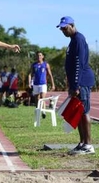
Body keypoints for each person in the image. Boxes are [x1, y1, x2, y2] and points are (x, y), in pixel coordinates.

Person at [57, 16, 95, 155]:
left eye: (65, 28)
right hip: (77, 82)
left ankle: (88, 145)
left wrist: (77, 85)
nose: (63, 31)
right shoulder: (73, 40)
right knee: (78, 112)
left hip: (83, 81)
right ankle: (82, 143)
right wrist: (71, 84)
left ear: (72, 25)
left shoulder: (78, 39)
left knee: (84, 111)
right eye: (61, 28)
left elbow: (78, 64)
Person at [29, 51, 55, 118]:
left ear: (43, 56)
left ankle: (43, 111)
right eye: (37, 55)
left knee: (42, 97)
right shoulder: (34, 65)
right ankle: (38, 111)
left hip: (43, 84)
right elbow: (31, 74)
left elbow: (50, 75)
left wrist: (53, 84)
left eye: (40, 55)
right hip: (35, 84)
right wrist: (29, 82)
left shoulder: (46, 64)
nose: (39, 57)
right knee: (36, 99)